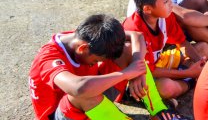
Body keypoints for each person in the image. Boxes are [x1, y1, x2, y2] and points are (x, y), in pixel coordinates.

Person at [29, 14, 188, 120]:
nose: (95, 64)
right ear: (82, 48)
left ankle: (159, 111)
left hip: (91, 100)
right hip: (63, 113)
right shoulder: (49, 57)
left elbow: (136, 35)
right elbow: (78, 89)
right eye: (95, 61)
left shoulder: (92, 34)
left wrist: (136, 68)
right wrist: (126, 74)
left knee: (127, 50)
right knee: (84, 93)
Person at [123, 0, 208, 100]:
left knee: (203, 48)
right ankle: (190, 81)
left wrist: (200, 62)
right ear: (147, 9)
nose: (171, 4)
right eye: (166, 1)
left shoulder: (165, 17)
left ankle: (191, 77)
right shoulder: (135, 30)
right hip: (142, 75)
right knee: (166, 87)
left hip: (159, 63)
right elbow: (149, 70)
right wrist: (188, 73)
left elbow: (182, 43)